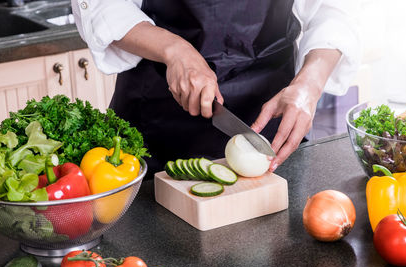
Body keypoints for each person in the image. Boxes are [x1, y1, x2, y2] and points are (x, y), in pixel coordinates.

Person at [71, 0, 361, 175]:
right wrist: (174, 50)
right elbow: (100, 5)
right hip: (157, 122)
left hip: (272, 119)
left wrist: (309, 83)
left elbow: (335, 9)